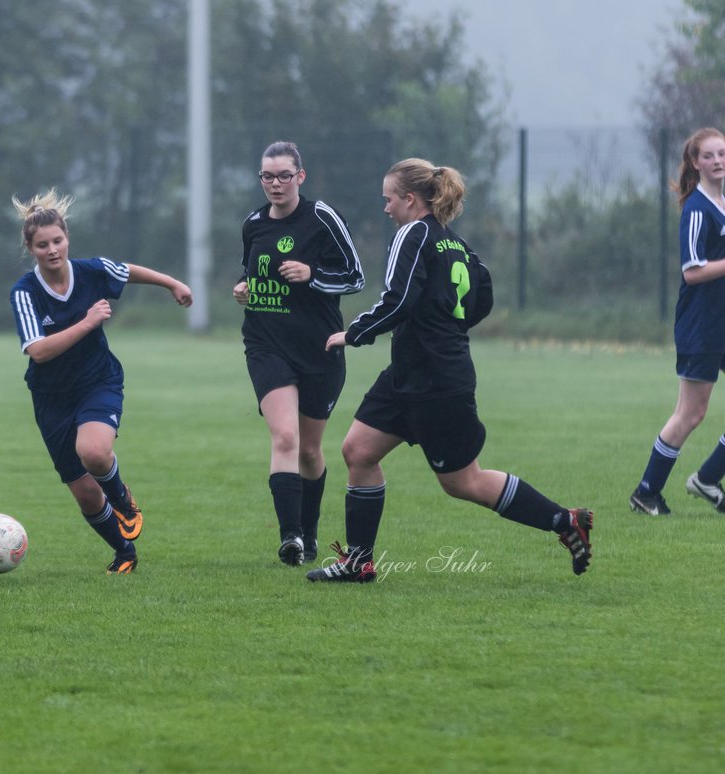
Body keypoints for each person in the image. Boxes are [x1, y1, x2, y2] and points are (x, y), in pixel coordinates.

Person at [306, 158, 593, 583]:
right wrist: (446, 328)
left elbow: (398, 300)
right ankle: (358, 563)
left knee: (463, 482)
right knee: (358, 451)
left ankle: (565, 521)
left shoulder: (413, 234)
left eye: (388, 200)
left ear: (409, 199)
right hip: (409, 372)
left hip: (437, 381)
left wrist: (354, 333)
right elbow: (483, 295)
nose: (385, 209)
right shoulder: (457, 244)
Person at [9, 189, 193, 574]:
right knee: (85, 493)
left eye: (58, 241)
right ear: (30, 249)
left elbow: (127, 270)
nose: (52, 249)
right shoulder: (25, 293)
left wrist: (173, 284)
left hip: (98, 381)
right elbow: (39, 351)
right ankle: (125, 551)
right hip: (51, 398)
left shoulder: (91, 271)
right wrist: (88, 322)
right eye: (42, 245)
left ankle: (124, 499)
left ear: (67, 238)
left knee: (93, 452)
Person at [233, 141, 365, 566]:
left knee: (309, 450)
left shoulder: (322, 218)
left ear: (300, 177)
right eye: (267, 176)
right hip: (266, 343)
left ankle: (308, 534)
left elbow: (355, 277)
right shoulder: (253, 223)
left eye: (284, 176)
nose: (275, 184)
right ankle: (289, 538)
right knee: (285, 437)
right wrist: (243, 287)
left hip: (319, 348)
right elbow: (250, 272)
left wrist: (312, 275)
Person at [629, 127, 725, 516]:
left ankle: (706, 479)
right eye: (709, 156)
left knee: (693, 413)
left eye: (722, 154)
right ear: (694, 162)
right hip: (701, 325)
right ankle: (646, 493)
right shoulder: (696, 209)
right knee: (691, 413)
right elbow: (693, 271)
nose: (717, 161)